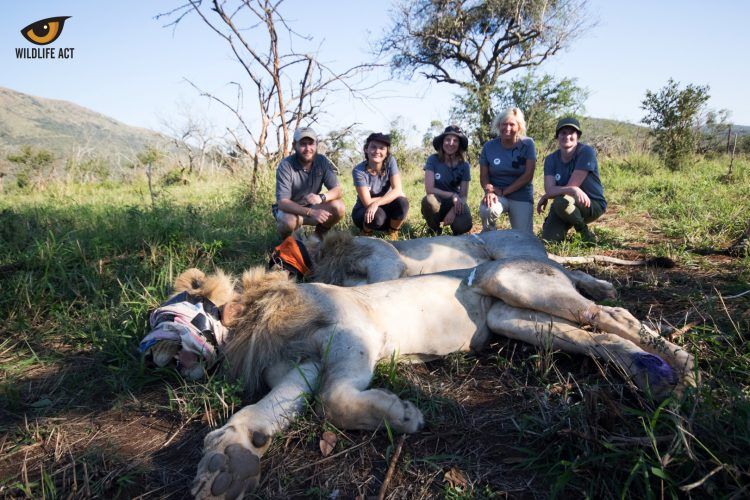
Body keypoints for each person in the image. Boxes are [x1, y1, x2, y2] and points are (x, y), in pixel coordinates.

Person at [537, 117, 606, 243]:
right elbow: (551, 189)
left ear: (578, 136)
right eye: (563, 132)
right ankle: (566, 222)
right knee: (549, 240)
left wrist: (551, 194)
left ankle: (585, 234)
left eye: (571, 132)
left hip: (592, 203)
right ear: (557, 136)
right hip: (565, 202)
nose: (567, 136)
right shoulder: (551, 159)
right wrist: (569, 190)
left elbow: (564, 189)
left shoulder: (586, 152)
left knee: (560, 201)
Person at [273, 127, 345, 239]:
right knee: (288, 222)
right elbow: (283, 202)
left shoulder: (322, 161)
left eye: (311, 143)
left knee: (339, 206)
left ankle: (318, 237)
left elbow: (338, 191)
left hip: (312, 207)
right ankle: (289, 243)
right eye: (303, 144)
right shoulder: (286, 165)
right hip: (290, 211)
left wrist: (321, 197)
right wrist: (311, 212)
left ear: (316, 144)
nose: (308, 148)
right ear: (294, 145)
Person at [478, 108, 537, 233]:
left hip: (521, 196)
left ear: (519, 126)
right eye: (504, 124)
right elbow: (484, 176)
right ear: (498, 125)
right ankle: (489, 238)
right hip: (496, 194)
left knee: (523, 237)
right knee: (487, 209)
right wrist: (489, 191)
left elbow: (528, 176)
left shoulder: (528, 144)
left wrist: (504, 191)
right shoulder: (489, 147)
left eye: (512, 124)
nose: (507, 128)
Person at [351, 133, 409, 238]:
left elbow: (397, 189)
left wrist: (376, 203)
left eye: (382, 148)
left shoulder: (390, 161)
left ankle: (393, 232)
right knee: (377, 217)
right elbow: (367, 202)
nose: (377, 151)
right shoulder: (358, 171)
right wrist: (392, 195)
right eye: (373, 147)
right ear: (366, 149)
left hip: (383, 206)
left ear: (386, 152)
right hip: (364, 210)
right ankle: (366, 232)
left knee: (402, 203)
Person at [421, 125, 472, 235]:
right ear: (442, 142)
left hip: (456, 203)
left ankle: (456, 231)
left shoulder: (464, 165)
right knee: (429, 201)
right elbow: (429, 189)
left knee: (464, 225)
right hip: (437, 200)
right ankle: (434, 230)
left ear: (459, 145)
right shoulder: (433, 160)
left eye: (455, 140)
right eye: (447, 139)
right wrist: (452, 195)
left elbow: (463, 196)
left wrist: (454, 210)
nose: (451, 143)